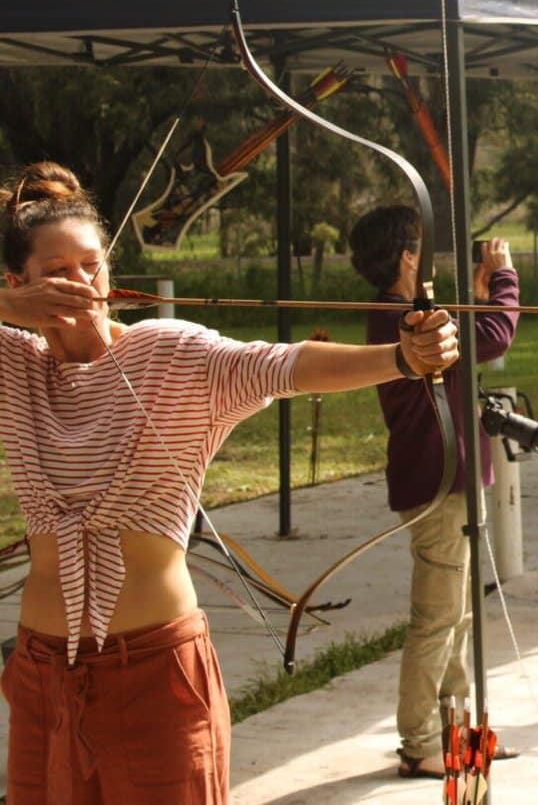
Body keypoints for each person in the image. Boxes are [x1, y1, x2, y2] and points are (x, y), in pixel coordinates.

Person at [0, 162, 459, 803]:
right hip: (44, 671)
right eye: (56, 273)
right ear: (16, 283)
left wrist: (403, 358)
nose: (81, 285)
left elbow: (280, 367)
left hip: (154, 672)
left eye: (91, 266)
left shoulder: (166, 353)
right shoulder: (15, 364)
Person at [348, 208, 524, 779]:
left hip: (447, 479)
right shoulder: (402, 318)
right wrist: (502, 277)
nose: (427, 259)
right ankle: (420, 739)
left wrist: (475, 296)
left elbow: (469, 342)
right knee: (437, 618)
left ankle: (458, 734)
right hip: (436, 480)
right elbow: (492, 338)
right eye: (421, 248)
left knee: (457, 616)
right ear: (406, 257)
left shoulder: (408, 313)